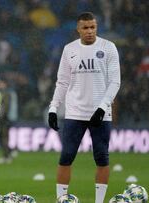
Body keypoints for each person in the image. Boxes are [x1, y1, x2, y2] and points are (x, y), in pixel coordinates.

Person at [48, 12, 120, 203]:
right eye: (86, 28)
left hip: (100, 114)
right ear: (78, 29)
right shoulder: (69, 49)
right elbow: (62, 82)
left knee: (102, 157)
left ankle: (99, 201)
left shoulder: (108, 47)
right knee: (66, 156)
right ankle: (61, 199)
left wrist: (102, 107)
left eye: (93, 27)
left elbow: (115, 82)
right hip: (75, 112)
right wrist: (54, 108)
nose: (90, 31)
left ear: (97, 27)